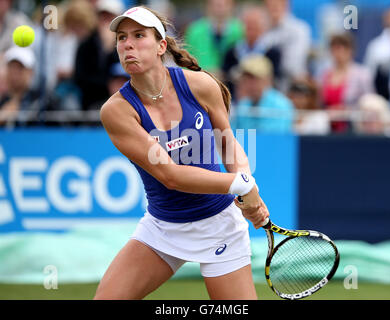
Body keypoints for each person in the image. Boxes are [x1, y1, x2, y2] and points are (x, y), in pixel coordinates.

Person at [94, 6, 269, 300]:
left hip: (219, 224)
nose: (128, 44)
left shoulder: (200, 85)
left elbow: (227, 143)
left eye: (139, 35)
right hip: (162, 228)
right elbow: (170, 176)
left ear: (161, 45)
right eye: (122, 38)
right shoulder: (116, 111)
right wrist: (242, 185)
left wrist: (244, 178)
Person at [222, 5, 281, 100]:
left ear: (263, 27)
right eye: (248, 26)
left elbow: (276, 79)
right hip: (235, 102)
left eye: (255, 25)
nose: (251, 30)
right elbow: (226, 75)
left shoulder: (272, 52)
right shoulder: (232, 51)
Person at [318, 32, 373, 133]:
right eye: (335, 49)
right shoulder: (324, 74)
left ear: (350, 51)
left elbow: (369, 104)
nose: (338, 53)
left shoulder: (362, 74)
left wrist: (345, 112)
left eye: (343, 49)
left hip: (352, 128)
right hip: (327, 128)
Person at [73, 0, 123, 110]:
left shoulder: (126, 46)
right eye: (103, 17)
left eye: (110, 18)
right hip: (91, 104)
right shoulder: (85, 45)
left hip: (120, 103)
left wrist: (110, 49)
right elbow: (80, 78)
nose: (106, 22)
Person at [259, 0, 312, 91]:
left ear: (286, 5)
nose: (273, 8)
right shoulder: (263, 31)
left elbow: (292, 66)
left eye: (277, 4)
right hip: (267, 89)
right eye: (270, 5)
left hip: (293, 88)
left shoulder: (299, 29)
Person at [233, 54, 294, 134]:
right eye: (245, 78)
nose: (248, 83)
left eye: (253, 78)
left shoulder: (281, 105)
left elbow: (274, 139)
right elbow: (233, 133)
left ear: (268, 79)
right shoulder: (243, 103)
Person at [0, 0, 32, 96]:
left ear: (9, 2)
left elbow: (19, 59)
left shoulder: (20, 23)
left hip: (9, 96)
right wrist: (1, 60)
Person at [184, 0, 244, 76]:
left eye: (224, 4)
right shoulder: (194, 31)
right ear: (208, 6)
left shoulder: (240, 30)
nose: (220, 8)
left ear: (232, 5)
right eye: (216, 4)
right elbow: (186, 60)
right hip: (201, 80)